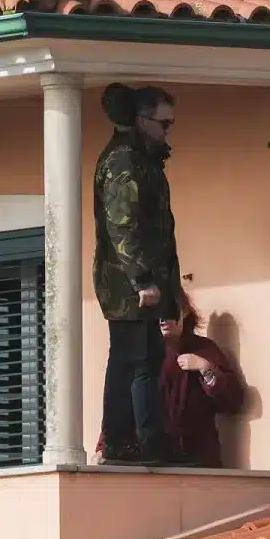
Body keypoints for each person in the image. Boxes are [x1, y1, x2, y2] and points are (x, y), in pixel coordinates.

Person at [93, 83, 183, 464]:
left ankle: (141, 439)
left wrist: (168, 287)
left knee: (142, 358)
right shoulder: (124, 162)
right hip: (127, 284)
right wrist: (142, 279)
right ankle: (130, 440)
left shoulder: (142, 161)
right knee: (134, 360)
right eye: (163, 123)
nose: (167, 131)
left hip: (143, 282)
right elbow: (122, 224)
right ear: (142, 120)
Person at [94, 294, 245, 469]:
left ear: (184, 312)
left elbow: (233, 401)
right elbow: (119, 406)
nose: (162, 320)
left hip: (196, 462)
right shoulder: (138, 353)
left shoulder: (204, 349)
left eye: (169, 312)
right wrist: (102, 448)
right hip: (151, 463)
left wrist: (205, 368)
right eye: (156, 314)